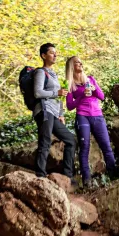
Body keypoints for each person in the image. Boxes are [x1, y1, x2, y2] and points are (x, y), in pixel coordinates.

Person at [65, 56, 116, 187]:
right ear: (71, 66)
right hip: (82, 116)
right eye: (77, 62)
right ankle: (87, 180)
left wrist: (94, 88)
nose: (80, 64)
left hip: (97, 115)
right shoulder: (70, 84)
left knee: (106, 146)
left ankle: (114, 175)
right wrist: (82, 95)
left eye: (81, 62)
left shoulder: (90, 79)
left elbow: (102, 96)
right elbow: (70, 106)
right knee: (85, 148)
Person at [33, 43, 76, 178]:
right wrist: (55, 92)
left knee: (70, 140)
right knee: (45, 142)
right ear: (43, 55)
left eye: (55, 52)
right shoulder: (40, 72)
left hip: (54, 112)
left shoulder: (54, 75)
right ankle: (40, 175)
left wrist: (61, 114)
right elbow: (37, 93)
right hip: (44, 111)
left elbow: (59, 96)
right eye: (52, 52)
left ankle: (67, 176)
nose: (55, 55)